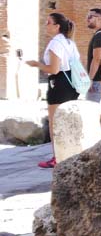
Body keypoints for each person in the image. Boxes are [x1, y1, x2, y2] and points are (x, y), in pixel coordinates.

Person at [25, 12, 79, 168]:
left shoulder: (56, 43)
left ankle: (58, 158)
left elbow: (54, 69)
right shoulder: (69, 42)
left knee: (55, 122)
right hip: (72, 83)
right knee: (67, 120)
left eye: (48, 22)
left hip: (59, 83)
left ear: (57, 27)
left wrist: (37, 64)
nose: (45, 25)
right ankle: (69, 155)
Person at [86, 7, 101, 103]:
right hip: (98, 82)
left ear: (99, 18)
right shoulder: (99, 35)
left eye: (90, 16)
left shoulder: (99, 36)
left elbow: (97, 59)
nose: (87, 19)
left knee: (90, 114)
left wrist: (90, 79)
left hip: (96, 82)